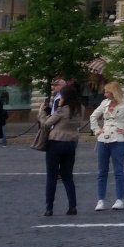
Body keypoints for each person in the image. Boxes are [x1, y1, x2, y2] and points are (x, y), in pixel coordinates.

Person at [89, 80, 124, 211]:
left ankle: (119, 199)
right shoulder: (104, 103)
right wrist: (97, 130)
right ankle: (100, 200)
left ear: (113, 92)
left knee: (118, 171)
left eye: (107, 92)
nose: (105, 94)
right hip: (103, 139)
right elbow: (93, 116)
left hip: (119, 140)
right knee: (102, 171)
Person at [40, 82, 86, 216]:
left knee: (51, 176)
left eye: (61, 97)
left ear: (66, 97)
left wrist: (42, 113)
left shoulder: (62, 110)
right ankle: (72, 206)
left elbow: (47, 124)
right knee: (68, 176)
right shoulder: (80, 108)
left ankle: (49, 208)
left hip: (56, 142)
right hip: (71, 142)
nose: (60, 99)